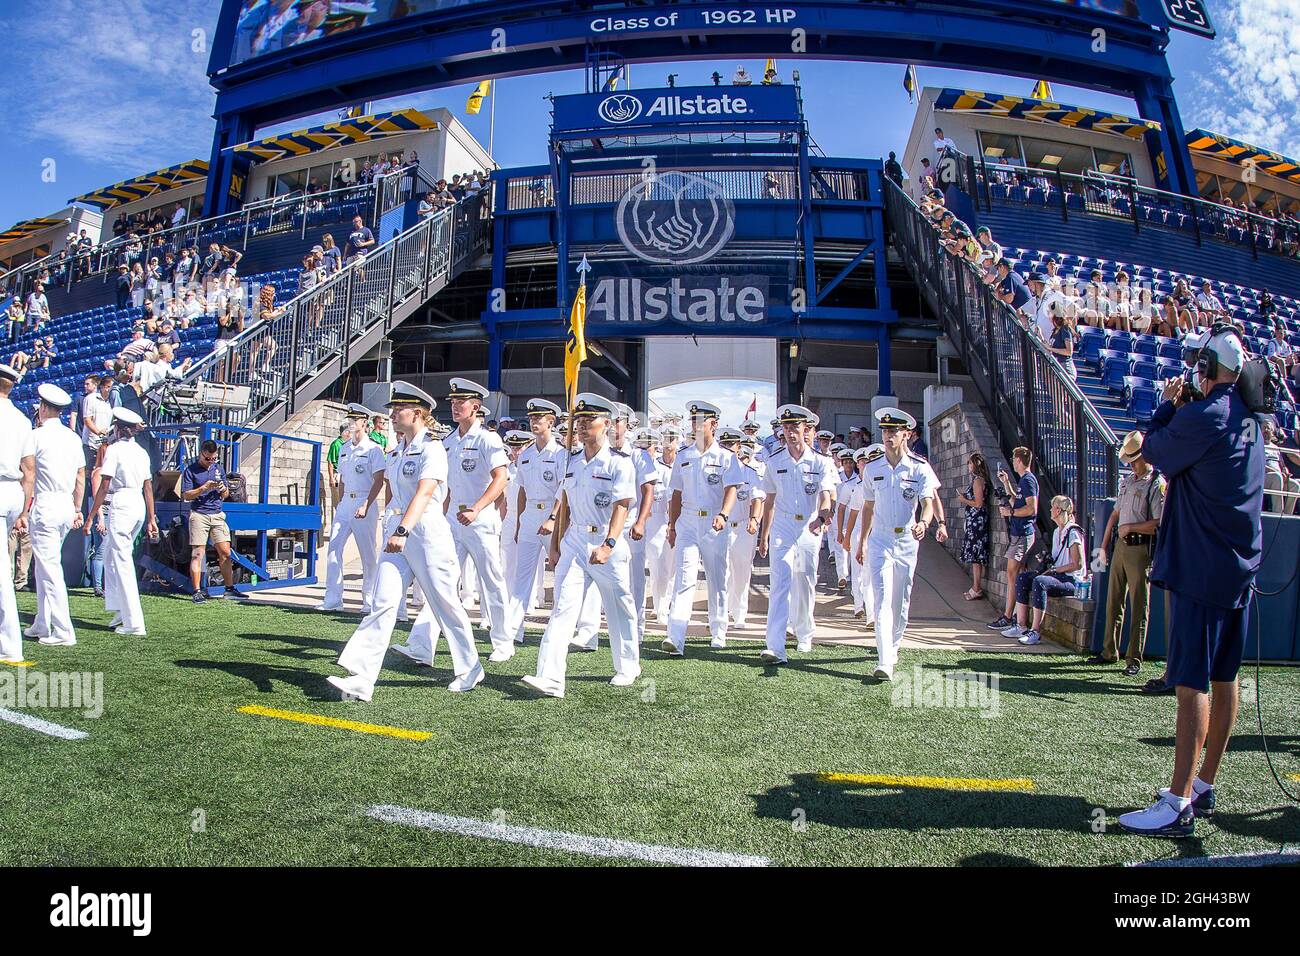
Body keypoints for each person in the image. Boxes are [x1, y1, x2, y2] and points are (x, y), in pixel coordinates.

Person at [1117, 328, 1264, 838]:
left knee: (1192, 684)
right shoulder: (1249, 417)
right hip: (1237, 567)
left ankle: (1177, 802)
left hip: (1201, 567)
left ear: (1207, 368)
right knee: (1225, 680)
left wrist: (1165, 406)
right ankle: (1203, 784)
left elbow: (1151, 450)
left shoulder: (1208, 414)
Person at [328, 383, 484, 701]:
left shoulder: (433, 449)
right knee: (383, 602)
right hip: (399, 533)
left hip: (425, 535)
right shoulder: (397, 450)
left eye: (399, 408)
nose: (392, 413)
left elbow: (426, 493)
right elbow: (395, 494)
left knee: (445, 605)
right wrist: (395, 529)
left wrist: (402, 531)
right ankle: (362, 677)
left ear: (417, 413)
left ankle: (470, 668)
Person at [521, 393, 640, 697]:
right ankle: (550, 677)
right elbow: (564, 502)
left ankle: (628, 666)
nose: (584, 426)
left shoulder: (619, 463)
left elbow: (622, 506)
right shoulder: (570, 461)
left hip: (605, 541)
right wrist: (556, 545)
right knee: (563, 608)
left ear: (607, 425)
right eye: (580, 421)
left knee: (619, 606)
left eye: (590, 421)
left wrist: (609, 544)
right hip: (574, 540)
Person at [855, 408, 940, 679]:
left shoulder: (919, 467)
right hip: (880, 539)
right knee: (881, 600)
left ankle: (892, 646)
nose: (888, 435)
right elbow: (867, 507)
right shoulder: (873, 468)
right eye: (885, 431)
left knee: (900, 600)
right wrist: (862, 542)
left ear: (906, 434)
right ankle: (884, 660)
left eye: (893, 431)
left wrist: (924, 524)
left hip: (905, 540)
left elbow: (928, 503)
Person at [662, 400, 745, 654]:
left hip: (713, 522)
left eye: (701, 421)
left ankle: (718, 630)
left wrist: (723, 514)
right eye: (694, 421)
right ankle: (676, 636)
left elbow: (732, 489)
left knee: (716, 578)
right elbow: (676, 492)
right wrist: (672, 525)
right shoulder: (684, 456)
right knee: (684, 578)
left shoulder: (726, 457)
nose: (696, 425)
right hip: (687, 521)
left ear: (714, 424)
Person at [758, 404, 838, 664]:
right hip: (782, 528)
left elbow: (827, 497)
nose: (791, 432)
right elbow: (768, 502)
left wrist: (823, 517)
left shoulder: (820, 462)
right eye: (786, 427)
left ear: (806, 429)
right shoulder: (774, 461)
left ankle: (804, 634)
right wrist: (764, 535)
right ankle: (775, 646)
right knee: (779, 583)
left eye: (795, 427)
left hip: (808, 528)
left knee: (804, 582)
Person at [442, 377, 513, 661]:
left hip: (480, 520)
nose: (456, 406)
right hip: (452, 519)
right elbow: (447, 485)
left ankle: (503, 642)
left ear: (476, 407)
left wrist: (477, 508)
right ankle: (424, 641)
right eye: (453, 402)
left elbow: (502, 478)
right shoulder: (448, 441)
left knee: (491, 581)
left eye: (462, 402)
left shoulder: (488, 438)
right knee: (443, 579)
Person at [1091, 431, 1164, 674]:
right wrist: (1103, 545)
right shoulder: (1128, 481)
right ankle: (1109, 650)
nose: (1131, 464)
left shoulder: (1155, 483)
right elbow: (1114, 513)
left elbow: (1157, 521)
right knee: (1113, 601)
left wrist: (1130, 527)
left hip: (1140, 547)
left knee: (1138, 604)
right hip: (1121, 546)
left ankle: (1134, 658)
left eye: (1134, 459)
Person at [21, 385, 85, 647]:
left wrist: (24, 511)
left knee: (49, 569)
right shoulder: (72, 437)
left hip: (46, 504)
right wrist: (78, 508)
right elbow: (81, 476)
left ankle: (63, 630)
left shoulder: (34, 435)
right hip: (66, 505)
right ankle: (41, 622)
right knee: (46, 565)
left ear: (43, 408)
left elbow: (29, 474)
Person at [85, 409, 157, 636]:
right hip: (137, 504)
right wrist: (151, 518)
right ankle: (120, 610)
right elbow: (148, 488)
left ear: (117, 428)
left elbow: (104, 485)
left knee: (122, 561)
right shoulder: (141, 452)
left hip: (122, 502)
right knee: (111, 558)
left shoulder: (115, 450)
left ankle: (134, 622)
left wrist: (90, 516)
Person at [506, 398, 564, 645]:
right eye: (531, 418)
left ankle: (558, 632)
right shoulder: (526, 455)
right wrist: (520, 523)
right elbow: (521, 490)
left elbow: (564, 490)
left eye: (538, 418)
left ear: (551, 422)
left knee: (560, 576)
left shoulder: (561, 453)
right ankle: (512, 631)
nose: (534, 422)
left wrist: (553, 519)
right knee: (522, 577)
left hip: (552, 516)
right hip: (529, 515)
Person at [319, 405, 385, 612]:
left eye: (354, 420)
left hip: (365, 500)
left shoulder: (374, 449)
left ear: (364, 424)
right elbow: (343, 478)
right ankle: (333, 598)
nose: (350, 423)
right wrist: (340, 502)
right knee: (334, 549)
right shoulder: (345, 448)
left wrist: (366, 504)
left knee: (367, 554)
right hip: (346, 502)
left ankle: (369, 599)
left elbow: (379, 480)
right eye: (349, 419)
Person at [1003, 496, 1087, 645]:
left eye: (1052, 507)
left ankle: (1035, 631)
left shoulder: (1073, 532)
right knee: (1023, 578)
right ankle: (1020, 625)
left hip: (1071, 580)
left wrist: (1055, 570)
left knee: (1040, 581)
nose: (1049, 510)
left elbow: (1077, 564)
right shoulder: (1056, 532)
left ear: (1058, 510)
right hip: (1059, 575)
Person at [179, 439, 242, 603]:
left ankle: (229, 588)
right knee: (198, 554)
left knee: (226, 552)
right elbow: (186, 495)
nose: (210, 462)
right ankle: (197, 591)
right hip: (199, 514)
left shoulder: (218, 469)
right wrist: (204, 488)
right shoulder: (191, 470)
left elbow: (226, 494)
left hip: (217, 513)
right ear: (201, 454)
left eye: (213, 459)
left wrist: (223, 490)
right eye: (207, 459)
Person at [0, 364, 34, 663]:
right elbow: (29, 471)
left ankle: (9, 644)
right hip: (13, 493)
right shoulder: (23, 420)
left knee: (1, 571)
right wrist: (24, 510)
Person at [988, 448, 1039, 631]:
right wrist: (1007, 483)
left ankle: (1010, 616)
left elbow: (1032, 508)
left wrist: (1011, 512)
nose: (1012, 461)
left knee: (1012, 573)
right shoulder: (1023, 481)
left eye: (1013, 458)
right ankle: (1011, 616)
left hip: (1023, 533)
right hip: (1018, 533)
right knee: (1012, 574)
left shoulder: (1028, 480)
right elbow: (1015, 501)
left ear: (1018, 460)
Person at [722, 431, 766, 630]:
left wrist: (755, 519)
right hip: (720, 528)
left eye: (733, 446)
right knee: (721, 572)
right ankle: (721, 613)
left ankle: (739, 614)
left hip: (741, 527)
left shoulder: (750, 473)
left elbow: (758, 498)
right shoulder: (717, 471)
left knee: (741, 572)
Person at [645, 425, 678, 622]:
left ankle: (667, 604)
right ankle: (660, 608)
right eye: (665, 438)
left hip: (676, 519)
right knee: (657, 565)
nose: (668, 442)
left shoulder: (681, 464)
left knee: (672, 565)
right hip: (655, 518)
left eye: (671, 438)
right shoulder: (653, 466)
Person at [956, 452, 992, 601]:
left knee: (976, 557)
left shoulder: (978, 481)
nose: (968, 466)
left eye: (970, 463)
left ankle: (976, 588)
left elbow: (978, 503)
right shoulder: (980, 481)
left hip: (977, 522)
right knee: (976, 557)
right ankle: (975, 587)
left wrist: (964, 500)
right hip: (977, 521)